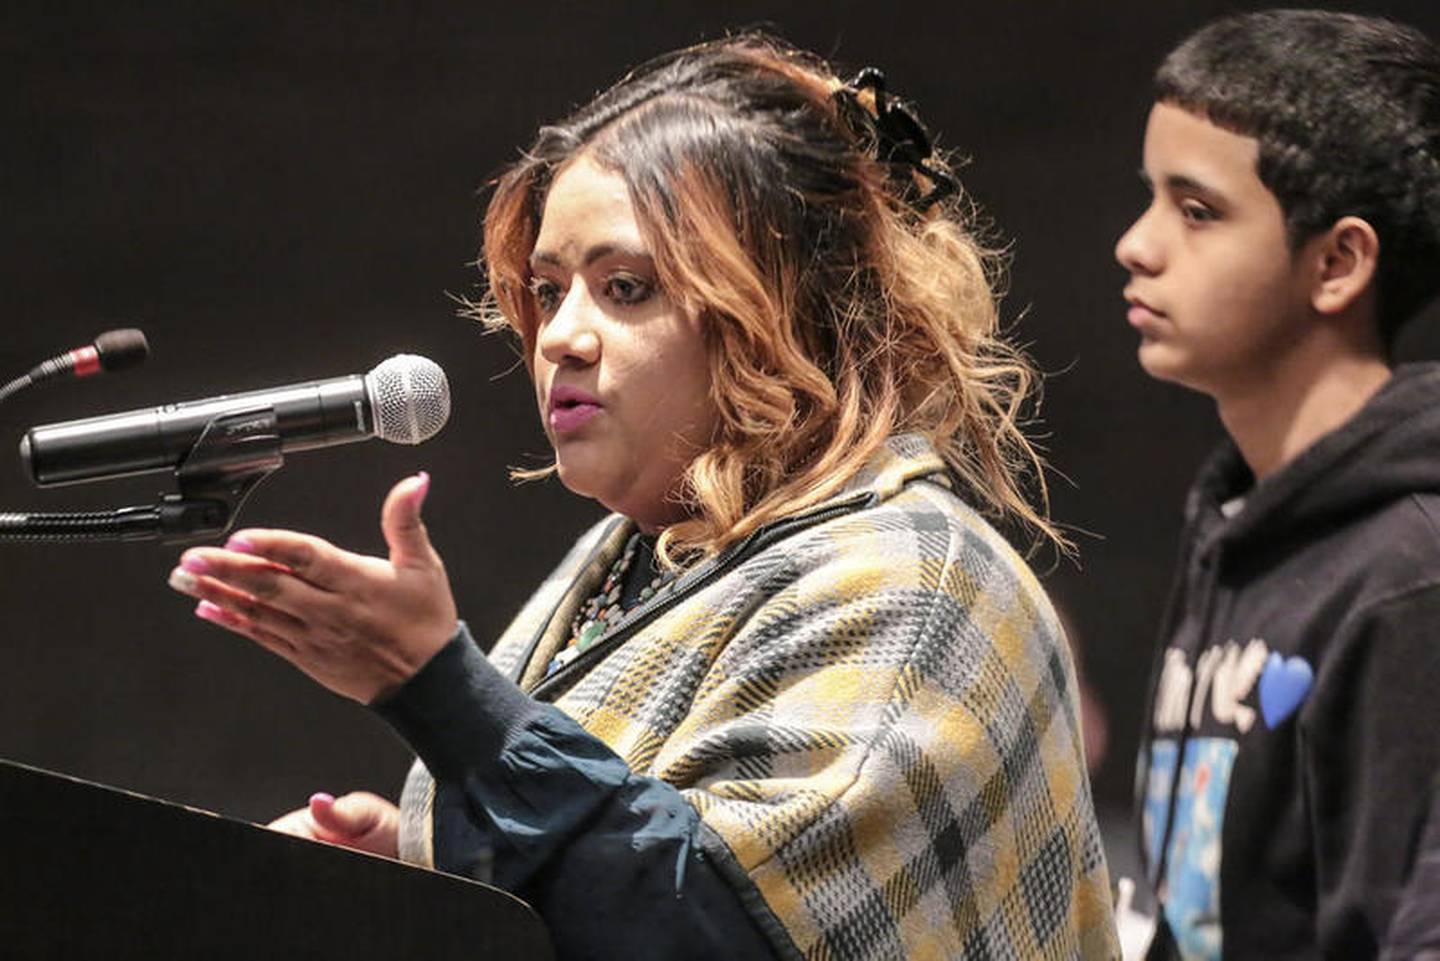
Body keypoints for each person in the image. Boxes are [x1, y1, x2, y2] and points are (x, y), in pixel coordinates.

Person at [167, 34, 1117, 959]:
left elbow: (719, 927)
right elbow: (614, 868)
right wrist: (432, 870)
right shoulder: (641, 555)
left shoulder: (915, 584)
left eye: (625, 288)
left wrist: (442, 693)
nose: (560, 336)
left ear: (781, 309)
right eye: (548, 289)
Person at [1114, 10, 1440, 960]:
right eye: (1150, 197)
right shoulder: (1235, 521)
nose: (1138, 244)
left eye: (1197, 210)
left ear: (1337, 263)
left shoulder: (1411, 573)